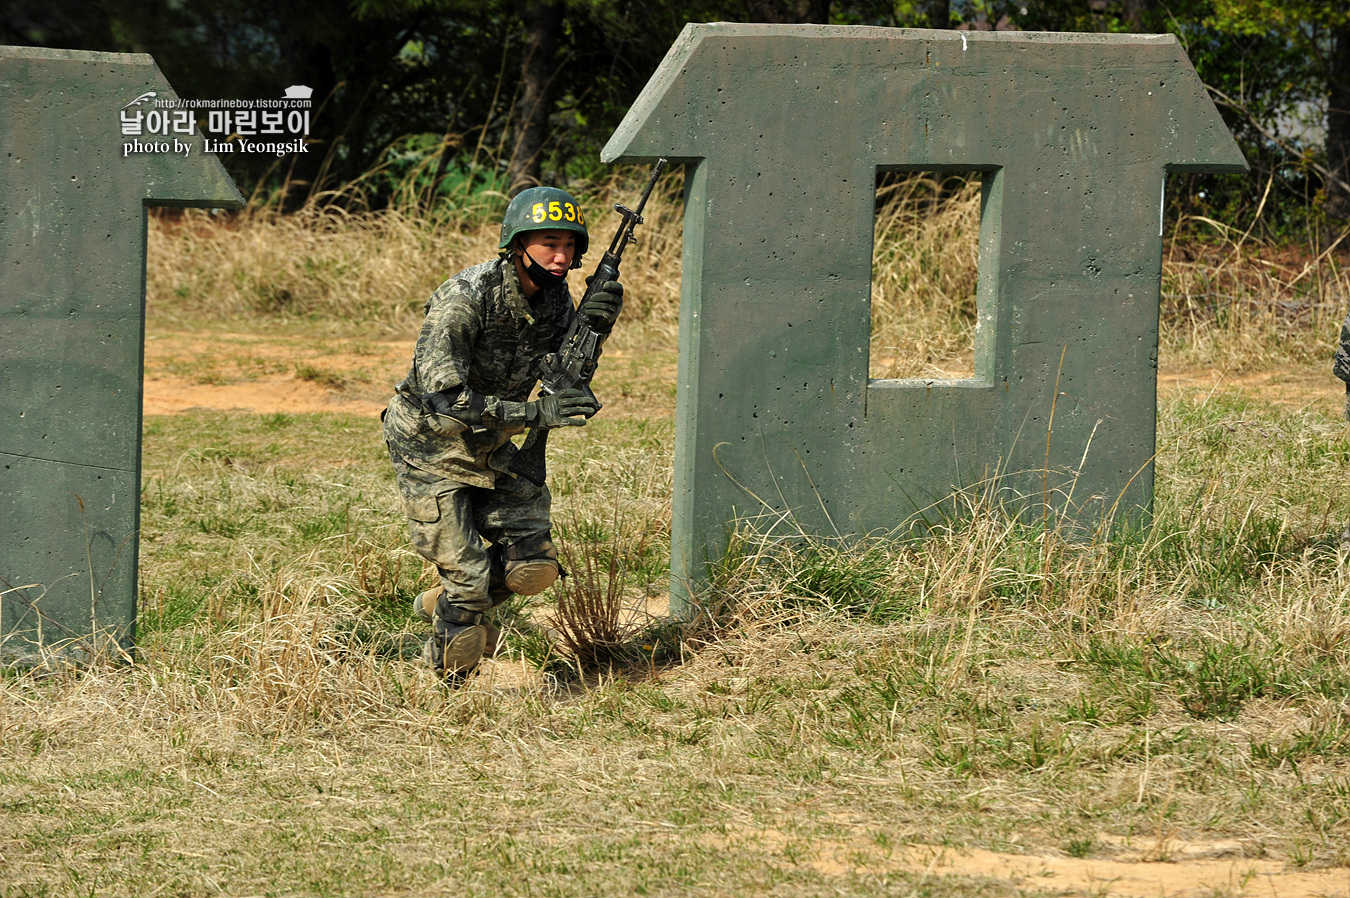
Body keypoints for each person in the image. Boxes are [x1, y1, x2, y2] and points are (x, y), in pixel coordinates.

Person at [382, 186, 623, 679]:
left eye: (570, 245)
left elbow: (563, 375)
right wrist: (537, 415)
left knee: (534, 566)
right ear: (516, 244)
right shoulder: (464, 299)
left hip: (494, 444)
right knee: (470, 582)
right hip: (431, 446)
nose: (561, 257)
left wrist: (595, 327)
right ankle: (446, 693)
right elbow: (444, 400)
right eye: (548, 243)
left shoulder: (556, 302)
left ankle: (448, 601)